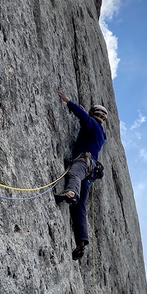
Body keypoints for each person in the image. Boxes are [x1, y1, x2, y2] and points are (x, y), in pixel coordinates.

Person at [55, 89, 108, 260]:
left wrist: (69, 102)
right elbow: (89, 121)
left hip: (84, 162)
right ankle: (81, 241)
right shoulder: (101, 134)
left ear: (93, 114)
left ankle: (71, 192)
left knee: (74, 174)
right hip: (92, 172)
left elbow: (85, 118)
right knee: (80, 207)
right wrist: (88, 113)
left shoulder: (92, 123)